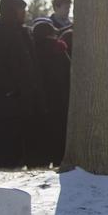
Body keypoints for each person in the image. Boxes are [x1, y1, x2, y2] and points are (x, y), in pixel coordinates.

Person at [0, 0, 43, 170]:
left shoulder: (24, 32)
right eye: (20, 9)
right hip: (6, 100)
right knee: (5, 144)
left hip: (25, 99)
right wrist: (11, 89)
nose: (23, 13)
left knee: (23, 143)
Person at [29, 19, 71, 167]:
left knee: (39, 137)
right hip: (58, 99)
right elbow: (68, 71)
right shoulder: (58, 49)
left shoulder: (30, 50)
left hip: (38, 101)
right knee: (58, 136)